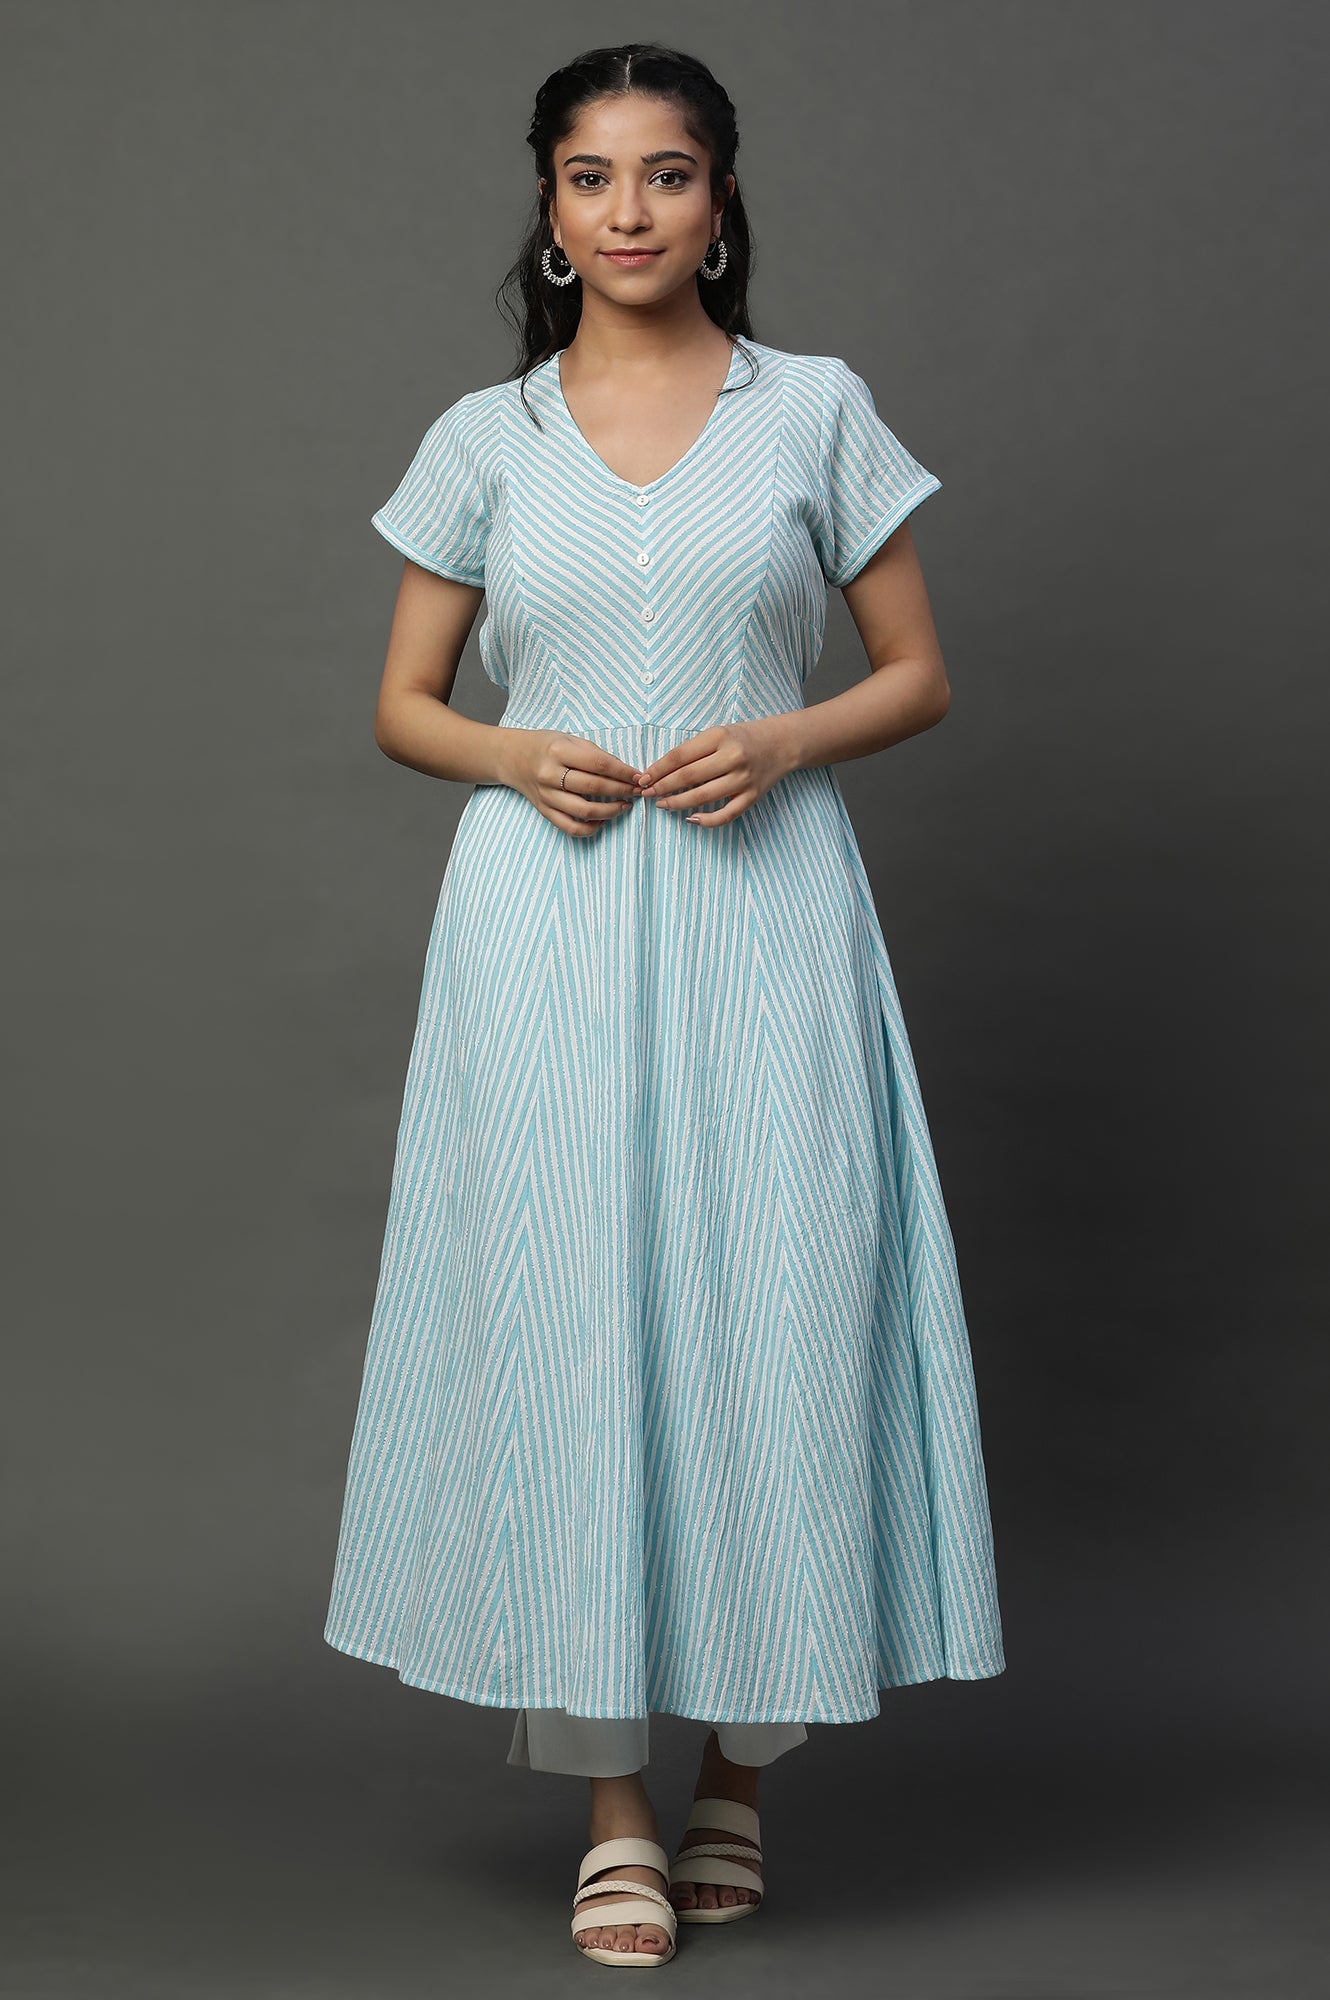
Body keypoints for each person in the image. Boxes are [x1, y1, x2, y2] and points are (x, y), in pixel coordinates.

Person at [324, 40, 1005, 1970]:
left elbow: (917, 673)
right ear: (548, 208)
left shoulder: (817, 410)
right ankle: (615, 1808)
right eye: (591, 176)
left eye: (667, 173)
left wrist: (781, 739)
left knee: (769, 1313)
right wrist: (510, 751)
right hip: (537, 932)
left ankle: (740, 1777)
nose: (629, 211)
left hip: (763, 918)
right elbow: (401, 707)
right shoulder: (485, 438)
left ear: (720, 198)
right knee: (571, 1323)